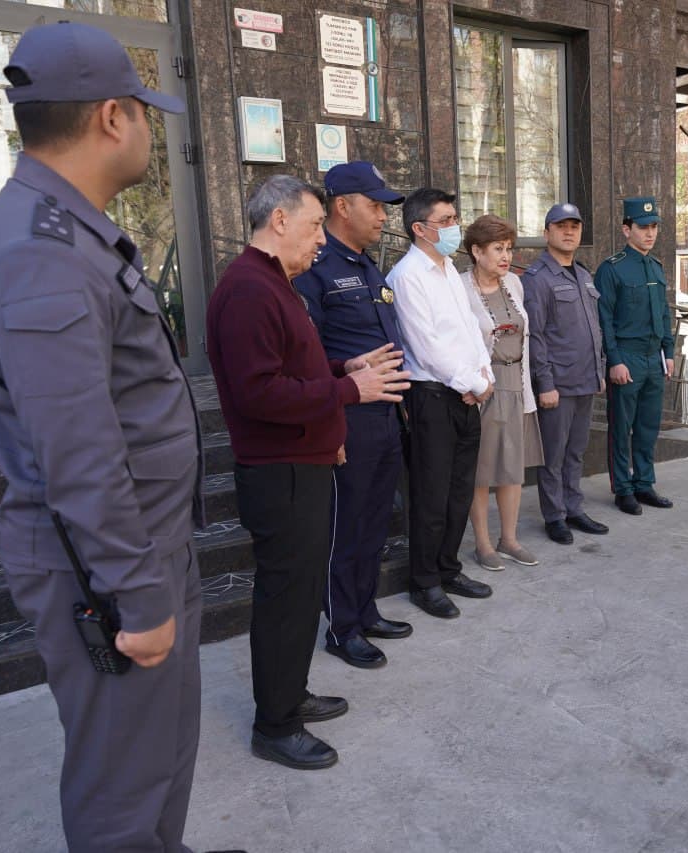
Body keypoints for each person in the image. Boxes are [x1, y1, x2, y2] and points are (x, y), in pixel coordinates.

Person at [0, 22, 205, 851]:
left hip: (142, 546)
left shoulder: (69, 230)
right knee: (122, 787)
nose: (147, 128)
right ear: (111, 116)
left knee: (163, 754)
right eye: (144, 111)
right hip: (103, 566)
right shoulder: (41, 250)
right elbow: (77, 448)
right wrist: (136, 594)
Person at [206, 175, 409, 769]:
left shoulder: (275, 283)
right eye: (315, 224)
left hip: (304, 460)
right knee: (286, 599)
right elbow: (260, 394)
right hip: (280, 471)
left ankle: (289, 694)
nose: (321, 239)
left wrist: (346, 364)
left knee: (297, 599)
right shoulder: (248, 289)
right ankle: (275, 725)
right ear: (278, 221)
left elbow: (295, 370)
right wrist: (350, 389)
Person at [293, 162, 413, 671]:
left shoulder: (369, 268)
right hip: (347, 414)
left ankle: (364, 609)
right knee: (346, 526)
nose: (383, 217)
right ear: (342, 206)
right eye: (375, 205)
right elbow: (306, 354)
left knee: (374, 521)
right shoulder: (316, 271)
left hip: (385, 414)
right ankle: (341, 627)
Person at [388, 188, 495, 619]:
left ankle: (449, 567)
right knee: (431, 494)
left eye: (455, 218)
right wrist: (470, 381)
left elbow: (469, 327)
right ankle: (425, 581)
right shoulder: (406, 276)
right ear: (420, 228)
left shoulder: (448, 267)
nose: (455, 227)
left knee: (458, 490)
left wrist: (482, 375)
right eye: (446, 220)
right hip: (433, 395)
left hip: (468, 393)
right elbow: (426, 344)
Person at [523, 203, 609, 544]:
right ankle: (554, 515)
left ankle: (574, 508)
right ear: (547, 234)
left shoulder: (584, 275)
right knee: (554, 455)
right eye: (561, 226)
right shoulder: (537, 279)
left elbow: (594, 328)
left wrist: (599, 370)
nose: (569, 232)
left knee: (576, 451)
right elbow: (537, 335)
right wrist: (545, 383)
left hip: (586, 379)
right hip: (557, 384)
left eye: (574, 226)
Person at [461, 214, 544, 569]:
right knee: (481, 471)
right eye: (498, 248)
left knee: (512, 468)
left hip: (515, 383)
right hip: (483, 387)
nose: (505, 255)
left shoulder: (514, 282)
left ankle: (509, 539)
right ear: (477, 251)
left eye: (508, 248)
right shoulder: (460, 287)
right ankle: (482, 543)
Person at [595, 196, 676, 515]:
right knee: (622, 426)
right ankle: (623, 488)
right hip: (627, 355)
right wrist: (614, 360)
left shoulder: (656, 267)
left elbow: (665, 315)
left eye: (654, 227)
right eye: (643, 227)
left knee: (647, 425)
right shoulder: (611, 269)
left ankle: (644, 483)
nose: (650, 233)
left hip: (653, 357)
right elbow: (604, 320)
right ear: (626, 229)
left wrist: (668, 352)